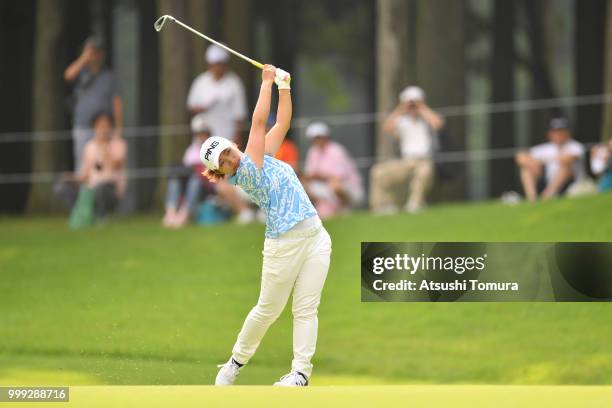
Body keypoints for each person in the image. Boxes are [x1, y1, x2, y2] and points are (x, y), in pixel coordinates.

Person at [199, 65, 332, 387]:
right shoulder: (247, 171)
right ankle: (234, 363)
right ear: (221, 173)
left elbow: (281, 122)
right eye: (224, 163)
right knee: (267, 311)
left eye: (228, 152)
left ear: (232, 145)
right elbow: (259, 122)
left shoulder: (260, 156)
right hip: (283, 246)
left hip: (316, 236)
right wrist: (267, 82)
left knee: (306, 309)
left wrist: (284, 88)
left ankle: (300, 373)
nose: (230, 160)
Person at [162, 116, 253, 228]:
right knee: (176, 180)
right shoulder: (191, 152)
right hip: (200, 185)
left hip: (210, 184)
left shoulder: (218, 149)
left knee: (197, 180)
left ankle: (183, 215)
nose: (201, 137)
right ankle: (170, 214)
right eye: (199, 134)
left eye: (203, 133)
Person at [370, 86, 444, 214]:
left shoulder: (427, 119)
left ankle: (415, 204)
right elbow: (386, 128)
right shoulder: (402, 121)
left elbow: (437, 124)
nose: (412, 106)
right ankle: (382, 206)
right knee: (378, 172)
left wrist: (421, 107)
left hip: (424, 161)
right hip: (406, 161)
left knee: (423, 172)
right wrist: (401, 108)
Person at [64, 36, 123, 171]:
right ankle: (84, 193)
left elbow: (117, 102)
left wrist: (118, 130)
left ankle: (102, 192)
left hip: (103, 129)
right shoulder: (80, 73)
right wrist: (84, 59)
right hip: (83, 126)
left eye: (96, 51)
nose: (94, 55)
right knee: (82, 165)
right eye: (91, 51)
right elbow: (68, 75)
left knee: (103, 165)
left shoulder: (109, 76)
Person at [55, 111, 127, 221]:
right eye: (100, 126)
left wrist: (104, 148)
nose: (103, 130)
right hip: (91, 187)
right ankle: (82, 215)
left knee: (100, 189)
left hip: (109, 188)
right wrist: (71, 178)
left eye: (106, 126)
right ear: (94, 127)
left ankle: (100, 217)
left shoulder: (118, 144)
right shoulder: (89, 146)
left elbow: (115, 166)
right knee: (62, 187)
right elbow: (85, 175)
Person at [302, 121, 364, 218]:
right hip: (325, 188)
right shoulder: (313, 151)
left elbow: (338, 177)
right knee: (303, 186)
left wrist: (319, 176)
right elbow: (309, 174)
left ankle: (345, 209)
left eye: (319, 137)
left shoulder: (336, 150)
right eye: (315, 138)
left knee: (336, 186)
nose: (317, 141)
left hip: (349, 187)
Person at [187, 44, 247, 143]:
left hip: (227, 136)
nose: (218, 67)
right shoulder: (201, 81)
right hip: (203, 137)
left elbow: (239, 115)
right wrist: (203, 107)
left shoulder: (234, 83)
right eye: (215, 64)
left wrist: (237, 138)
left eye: (220, 64)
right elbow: (191, 106)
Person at [515, 118, 586, 201]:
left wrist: (544, 160)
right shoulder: (546, 148)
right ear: (550, 134)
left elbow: (567, 159)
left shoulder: (575, 146)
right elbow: (520, 157)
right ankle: (532, 199)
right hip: (548, 182)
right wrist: (533, 164)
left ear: (568, 133)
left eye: (562, 131)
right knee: (526, 169)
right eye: (556, 132)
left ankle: (547, 196)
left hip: (572, 184)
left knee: (565, 167)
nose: (559, 135)